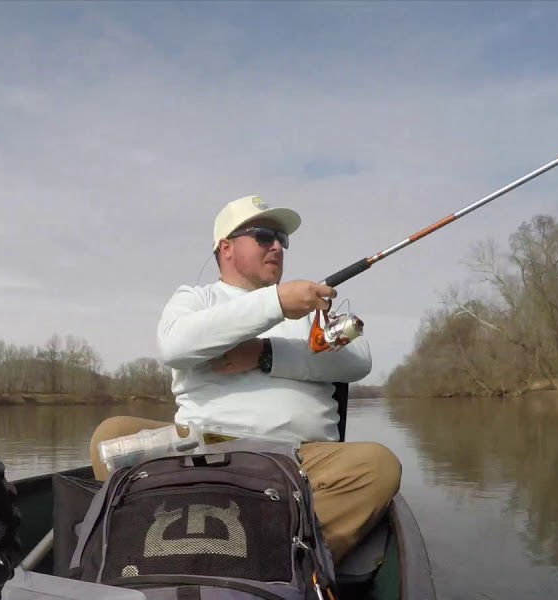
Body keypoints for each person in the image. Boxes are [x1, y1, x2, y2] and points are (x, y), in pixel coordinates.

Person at [89, 194, 402, 564]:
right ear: (226, 248)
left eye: (282, 240)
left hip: (299, 458)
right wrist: (275, 304)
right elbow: (174, 345)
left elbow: (358, 361)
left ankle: (282, 560)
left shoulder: (308, 307)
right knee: (110, 436)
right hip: (199, 448)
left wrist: (266, 354)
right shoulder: (196, 299)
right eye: (264, 236)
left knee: (378, 465)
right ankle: (134, 548)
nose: (277, 247)